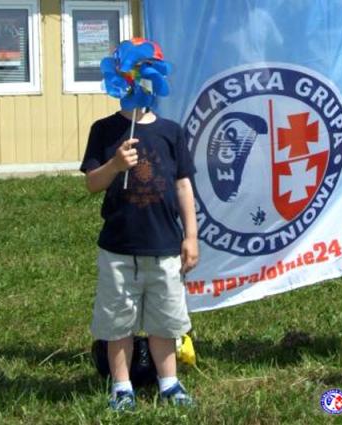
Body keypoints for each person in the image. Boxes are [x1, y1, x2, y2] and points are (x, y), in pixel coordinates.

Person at [81, 101, 199, 410]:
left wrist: (191, 236)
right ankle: (122, 387)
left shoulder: (170, 131)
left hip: (165, 248)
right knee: (117, 323)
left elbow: (183, 185)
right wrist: (115, 165)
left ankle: (169, 383)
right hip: (119, 249)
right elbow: (92, 182)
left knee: (165, 321)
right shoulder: (104, 130)